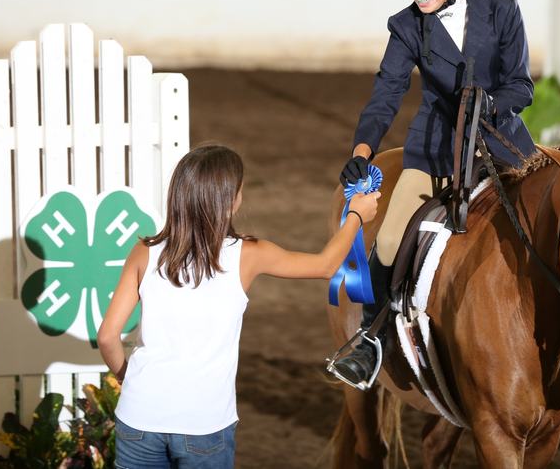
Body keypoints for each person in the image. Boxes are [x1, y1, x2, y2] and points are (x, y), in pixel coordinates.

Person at [329, 0, 537, 388]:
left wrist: (485, 106)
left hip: (501, 145)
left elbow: (521, 86)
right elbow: (387, 92)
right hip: (436, 149)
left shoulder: (503, 10)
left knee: (546, 222)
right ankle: (371, 342)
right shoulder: (406, 27)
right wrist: (362, 150)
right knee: (385, 243)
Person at [97, 145, 380, 468]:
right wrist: (356, 216)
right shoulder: (248, 254)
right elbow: (327, 265)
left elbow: (108, 336)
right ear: (230, 202)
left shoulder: (144, 251)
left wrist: (126, 377)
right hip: (204, 425)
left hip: (139, 418)